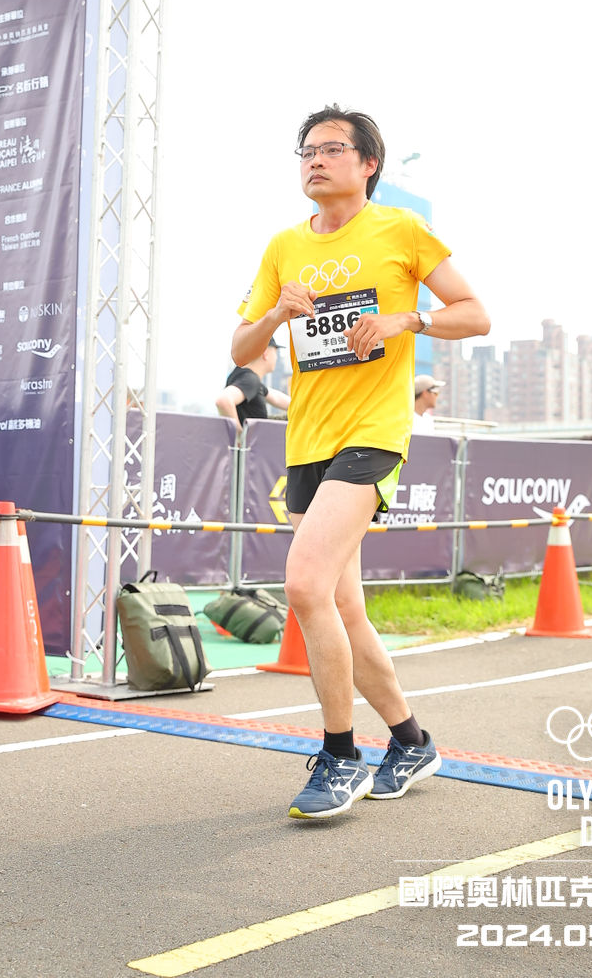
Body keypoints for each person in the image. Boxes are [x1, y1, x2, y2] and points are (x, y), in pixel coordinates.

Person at [232, 104, 489, 819]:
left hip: (372, 433)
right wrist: (275, 316)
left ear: (367, 164)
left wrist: (409, 319)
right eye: (305, 152)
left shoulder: (400, 230)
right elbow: (240, 350)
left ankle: (340, 756)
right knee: (343, 606)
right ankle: (411, 741)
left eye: (330, 149)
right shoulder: (284, 246)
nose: (314, 161)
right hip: (307, 441)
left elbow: (475, 313)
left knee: (304, 583)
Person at [215, 338, 290, 429]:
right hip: (251, 437)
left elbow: (276, 397)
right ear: (265, 354)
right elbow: (223, 401)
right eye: (275, 352)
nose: (276, 357)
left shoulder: (242, 376)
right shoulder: (250, 379)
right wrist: (239, 433)